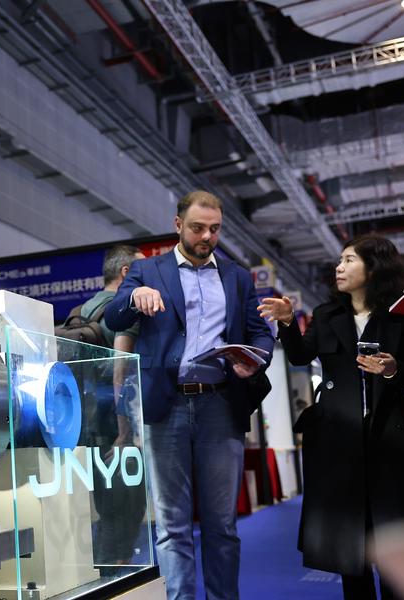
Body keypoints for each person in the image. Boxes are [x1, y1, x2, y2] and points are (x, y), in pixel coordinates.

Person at [105, 190, 274, 600]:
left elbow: (259, 333)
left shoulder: (237, 276)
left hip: (221, 404)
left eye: (214, 229)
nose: (207, 237)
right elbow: (113, 317)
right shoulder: (148, 270)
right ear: (178, 225)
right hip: (166, 407)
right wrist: (133, 298)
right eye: (198, 228)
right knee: (172, 526)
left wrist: (256, 359)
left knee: (222, 525)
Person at [258, 235, 404, 600]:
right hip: (338, 443)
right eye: (339, 260)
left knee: (396, 544)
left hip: (391, 441)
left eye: (349, 260)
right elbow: (300, 357)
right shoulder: (326, 315)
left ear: (374, 268)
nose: (339, 267)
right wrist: (288, 323)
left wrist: (394, 370)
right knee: (350, 549)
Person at [78, 244, 148, 572]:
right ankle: (114, 579)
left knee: (108, 510)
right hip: (118, 427)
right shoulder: (124, 308)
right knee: (127, 511)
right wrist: (124, 429)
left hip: (88, 425)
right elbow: (122, 366)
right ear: (126, 272)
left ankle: (105, 575)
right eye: (142, 270)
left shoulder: (84, 310)